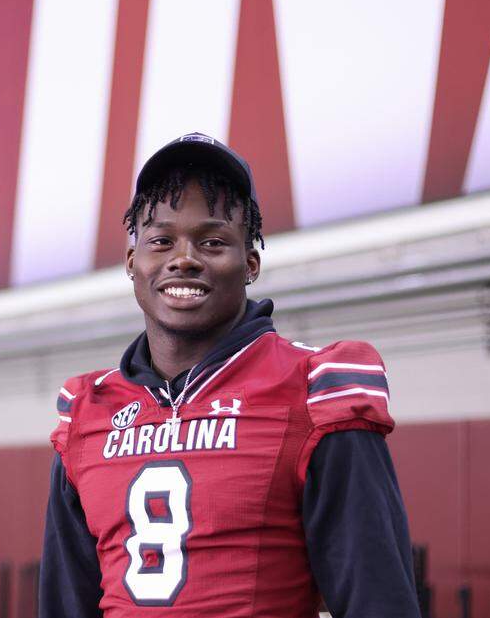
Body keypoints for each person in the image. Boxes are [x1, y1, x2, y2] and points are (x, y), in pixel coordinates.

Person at [39, 133, 421, 617]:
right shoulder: (88, 410)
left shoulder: (312, 389)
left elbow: (377, 600)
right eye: (161, 240)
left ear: (251, 264)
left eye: (213, 241)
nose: (185, 258)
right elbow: (65, 603)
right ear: (133, 263)